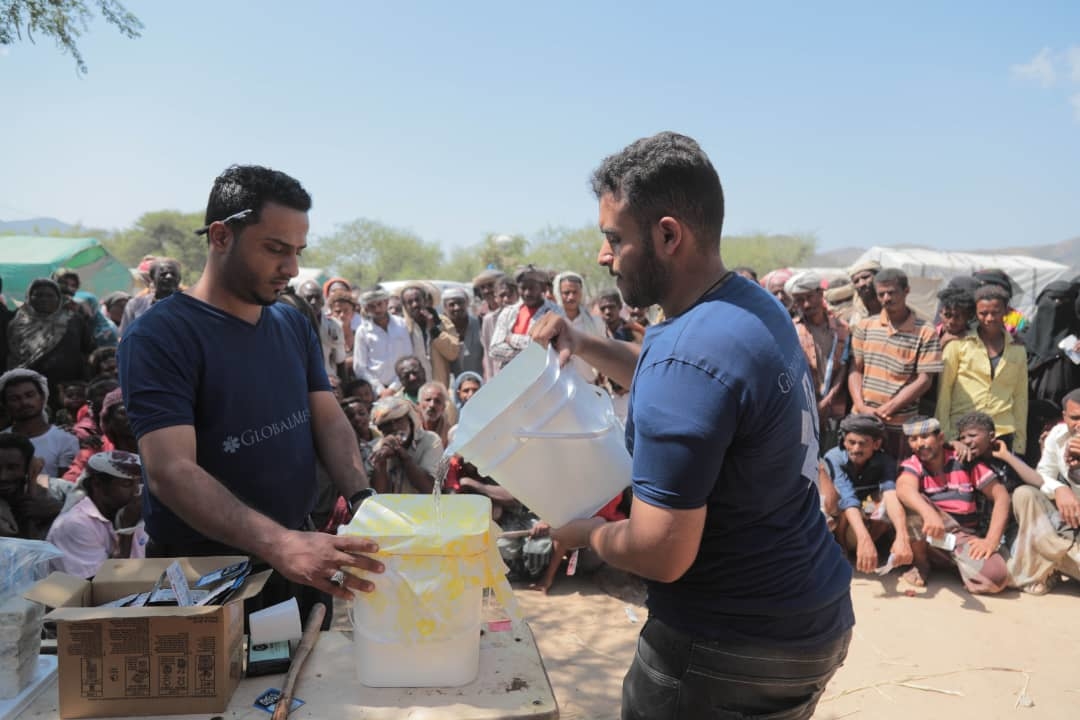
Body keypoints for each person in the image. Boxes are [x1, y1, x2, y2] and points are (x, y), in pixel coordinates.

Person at [529, 132, 852, 720]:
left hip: (725, 647)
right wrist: (582, 343)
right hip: (811, 617)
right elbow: (679, 380)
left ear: (668, 234)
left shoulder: (688, 352)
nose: (603, 256)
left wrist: (579, 535)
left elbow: (661, 551)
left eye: (613, 239)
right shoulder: (747, 308)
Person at [118, 164, 382, 620]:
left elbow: (328, 418)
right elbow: (171, 470)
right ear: (221, 236)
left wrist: (362, 499)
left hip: (300, 560)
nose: (292, 268)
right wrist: (279, 543)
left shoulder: (291, 323)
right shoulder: (160, 336)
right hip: (207, 576)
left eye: (298, 251)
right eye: (275, 249)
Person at [894, 417, 1010, 594]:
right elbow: (904, 489)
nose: (919, 444)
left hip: (962, 537)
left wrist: (990, 541)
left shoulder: (964, 460)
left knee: (996, 578)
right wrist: (928, 513)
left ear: (940, 438)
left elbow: (1001, 496)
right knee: (909, 502)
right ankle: (921, 563)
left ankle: (953, 563)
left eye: (925, 436)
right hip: (929, 533)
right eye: (913, 439)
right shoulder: (913, 464)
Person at [849, 268, 943, 460]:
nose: (886, 298)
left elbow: (924, 380)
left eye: (891, 292)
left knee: (895, 477)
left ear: (906, 291)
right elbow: (855, 370)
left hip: (899, 426)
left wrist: (889, 408)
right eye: (881, 293)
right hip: (863, 420)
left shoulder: (925, 331)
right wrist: (860, 405)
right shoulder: (865, 326)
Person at [936, 284, 1028, 455]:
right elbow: (944, 392)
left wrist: (1020, 442)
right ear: (975, 314)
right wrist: (947, 435)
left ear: (1006, 312)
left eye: (996, 312)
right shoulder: (957, 344)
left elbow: (1020, 397)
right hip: (962, 431)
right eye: (983, 313)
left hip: (1002, 433)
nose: (989, 318)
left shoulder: (1017, 349)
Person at [818, 414, 911, 574]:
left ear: (876, 444)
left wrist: (903, 536)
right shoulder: (834, 458)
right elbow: (847, 499)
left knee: (889, 500)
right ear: (844, 441)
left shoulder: (885, 461)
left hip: (864, 512)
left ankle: (868, 546)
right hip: (840, 517)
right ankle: (841, 545)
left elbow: (890, 495)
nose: (855, 449)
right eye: (851, 442)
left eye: (862, 444)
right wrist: (863, 538)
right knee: (840, 500)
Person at [1013, 388, 1080, 593]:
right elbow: (1043, 475)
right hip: (1072, 521)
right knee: (1024, 495)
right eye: (1075, 418)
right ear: (1064, 417)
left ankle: (1052, 562)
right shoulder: (1058, 436)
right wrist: (1060, 489)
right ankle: (1061, 558)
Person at [47, 450, 146, 578]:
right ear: (97, 484)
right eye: (127, 484)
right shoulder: (75, 524)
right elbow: (103, 585)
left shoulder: (130, 512)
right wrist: (127, 530)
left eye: (139, 483)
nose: (136, 491)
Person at [787, 272, 848, 454]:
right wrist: (814, 406)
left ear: (820, 294)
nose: (806, 304)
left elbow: (844, 368)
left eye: (809, 297)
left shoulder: (842, 329)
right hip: (802, 410)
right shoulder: (791, 330)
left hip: (834, 410)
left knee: (831, 460)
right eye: (799, 300)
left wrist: (826, 401)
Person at [6, 278, 95, 402]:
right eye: (38, 295)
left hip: (69, 390)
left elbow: (88, 350)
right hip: (27, 389)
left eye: (50, 295)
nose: (44, 299)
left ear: (59, 299)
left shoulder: (73, 320)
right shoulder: (15, 322)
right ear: (28, 297)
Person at [0, 369, 79, 478]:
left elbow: (64, 488)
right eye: (15, 399)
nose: (24, 402)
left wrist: (35, 485)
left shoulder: (65, 439)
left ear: (42, 398)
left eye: (30, 395)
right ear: (5, 405)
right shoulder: (2, 440)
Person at [489, 265, 561, 373]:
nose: (527, 293)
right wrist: (530, 351)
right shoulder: (508, 312)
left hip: (544, 376)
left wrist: (512, 339)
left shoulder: (555, 312)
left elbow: (550, 348)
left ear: (543, 288)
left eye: (532, 288)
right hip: (512, 378)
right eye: (523, 288)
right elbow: (494, 350)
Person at [0, 432, 68, 539]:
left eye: (12, 468)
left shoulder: (54, 489)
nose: (3, 477)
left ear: (27, 467)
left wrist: (59, 509)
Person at [368, 396, 441, 494]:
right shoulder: (377, 447)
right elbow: (378, 494)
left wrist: (402, 455)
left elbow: (429, 488)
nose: (394, 427)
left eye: (398, 420)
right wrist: (381, 461)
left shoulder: (430, 440)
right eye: (387, 424)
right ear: (381, 429)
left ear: (409, 420)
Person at [352, 289, 413, 396]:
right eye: (372, 306)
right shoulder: (362, 331)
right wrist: (380, 390)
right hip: (376, 392)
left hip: (402, 386)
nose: (377, 309)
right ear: (366, 308)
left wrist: (393, 388)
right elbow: (360, 368)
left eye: (380, 304)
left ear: (386, 302)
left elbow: (409, 357)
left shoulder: (402, 325)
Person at [400, 282, 460, 388]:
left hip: (441, 387)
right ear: (405, 306)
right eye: (410, 302)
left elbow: (453, 353)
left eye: (417, 300)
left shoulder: (443, 322)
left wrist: (434, 329)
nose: (415, 305)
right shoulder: (403, 327)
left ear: (425, 301)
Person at [553, 271, 604, 382]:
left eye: (575, 292)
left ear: (581, 293)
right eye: (566, 293)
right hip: (560, 386)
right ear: (559, 294)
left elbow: (603, 353)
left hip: (589, 384)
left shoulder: (596, 323)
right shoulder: (553, 323)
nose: (571, 297)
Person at [298, 279, 346, 381]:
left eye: (317, 297)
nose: (314, 302)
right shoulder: (291, 325)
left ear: (323, 300)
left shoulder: (334, 325)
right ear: (299, 300)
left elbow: (340, 360)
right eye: (309, 297)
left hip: (328, 380)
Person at [119, 258, 182, 335]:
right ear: (152, 277)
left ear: (179, 278)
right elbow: (124, 336)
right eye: (163, 274)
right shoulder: (135, 305)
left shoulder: (190, 305)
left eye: (173, 274)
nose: (169, 277)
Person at [443, 286, 485, 379]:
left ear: (466, 304)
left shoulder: (479, 324)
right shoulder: (441, 330)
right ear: (445, 308)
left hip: (479, 382)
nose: (456, 308)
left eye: (460, 303)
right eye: (452, 304)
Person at [481, 277, 518, 379]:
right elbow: (488, 353)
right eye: (502, 296)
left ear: (517, 295)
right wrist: (490, 379)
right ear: (496, 297)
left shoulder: (524, 316)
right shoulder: (489, 320)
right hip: (499, 374)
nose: (506, 299)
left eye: (509, 295)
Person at [417, 381, 454, 447]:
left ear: (443, 408)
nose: (432, 405)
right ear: (418, 404)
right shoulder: (410, 425)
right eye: (428, 400)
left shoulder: (448, 433)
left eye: (437, 401)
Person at [846, 260, 882, 327]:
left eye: (865, 277)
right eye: (856, 281)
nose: (861, 284)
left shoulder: (896, 309)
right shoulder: (854, 320)